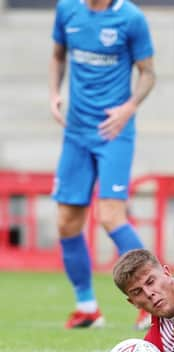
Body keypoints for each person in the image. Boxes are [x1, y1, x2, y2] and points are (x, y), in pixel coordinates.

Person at [49, 0, 156, 329]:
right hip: (76, 132)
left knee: (110, 216)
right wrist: (54, 93)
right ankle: (87, 308)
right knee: (67, 221)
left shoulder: (131, 18)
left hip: (114, 132)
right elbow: (57, 55)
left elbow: (148, 74)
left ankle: (152, 299)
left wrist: (129, 108)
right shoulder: (67, 10)